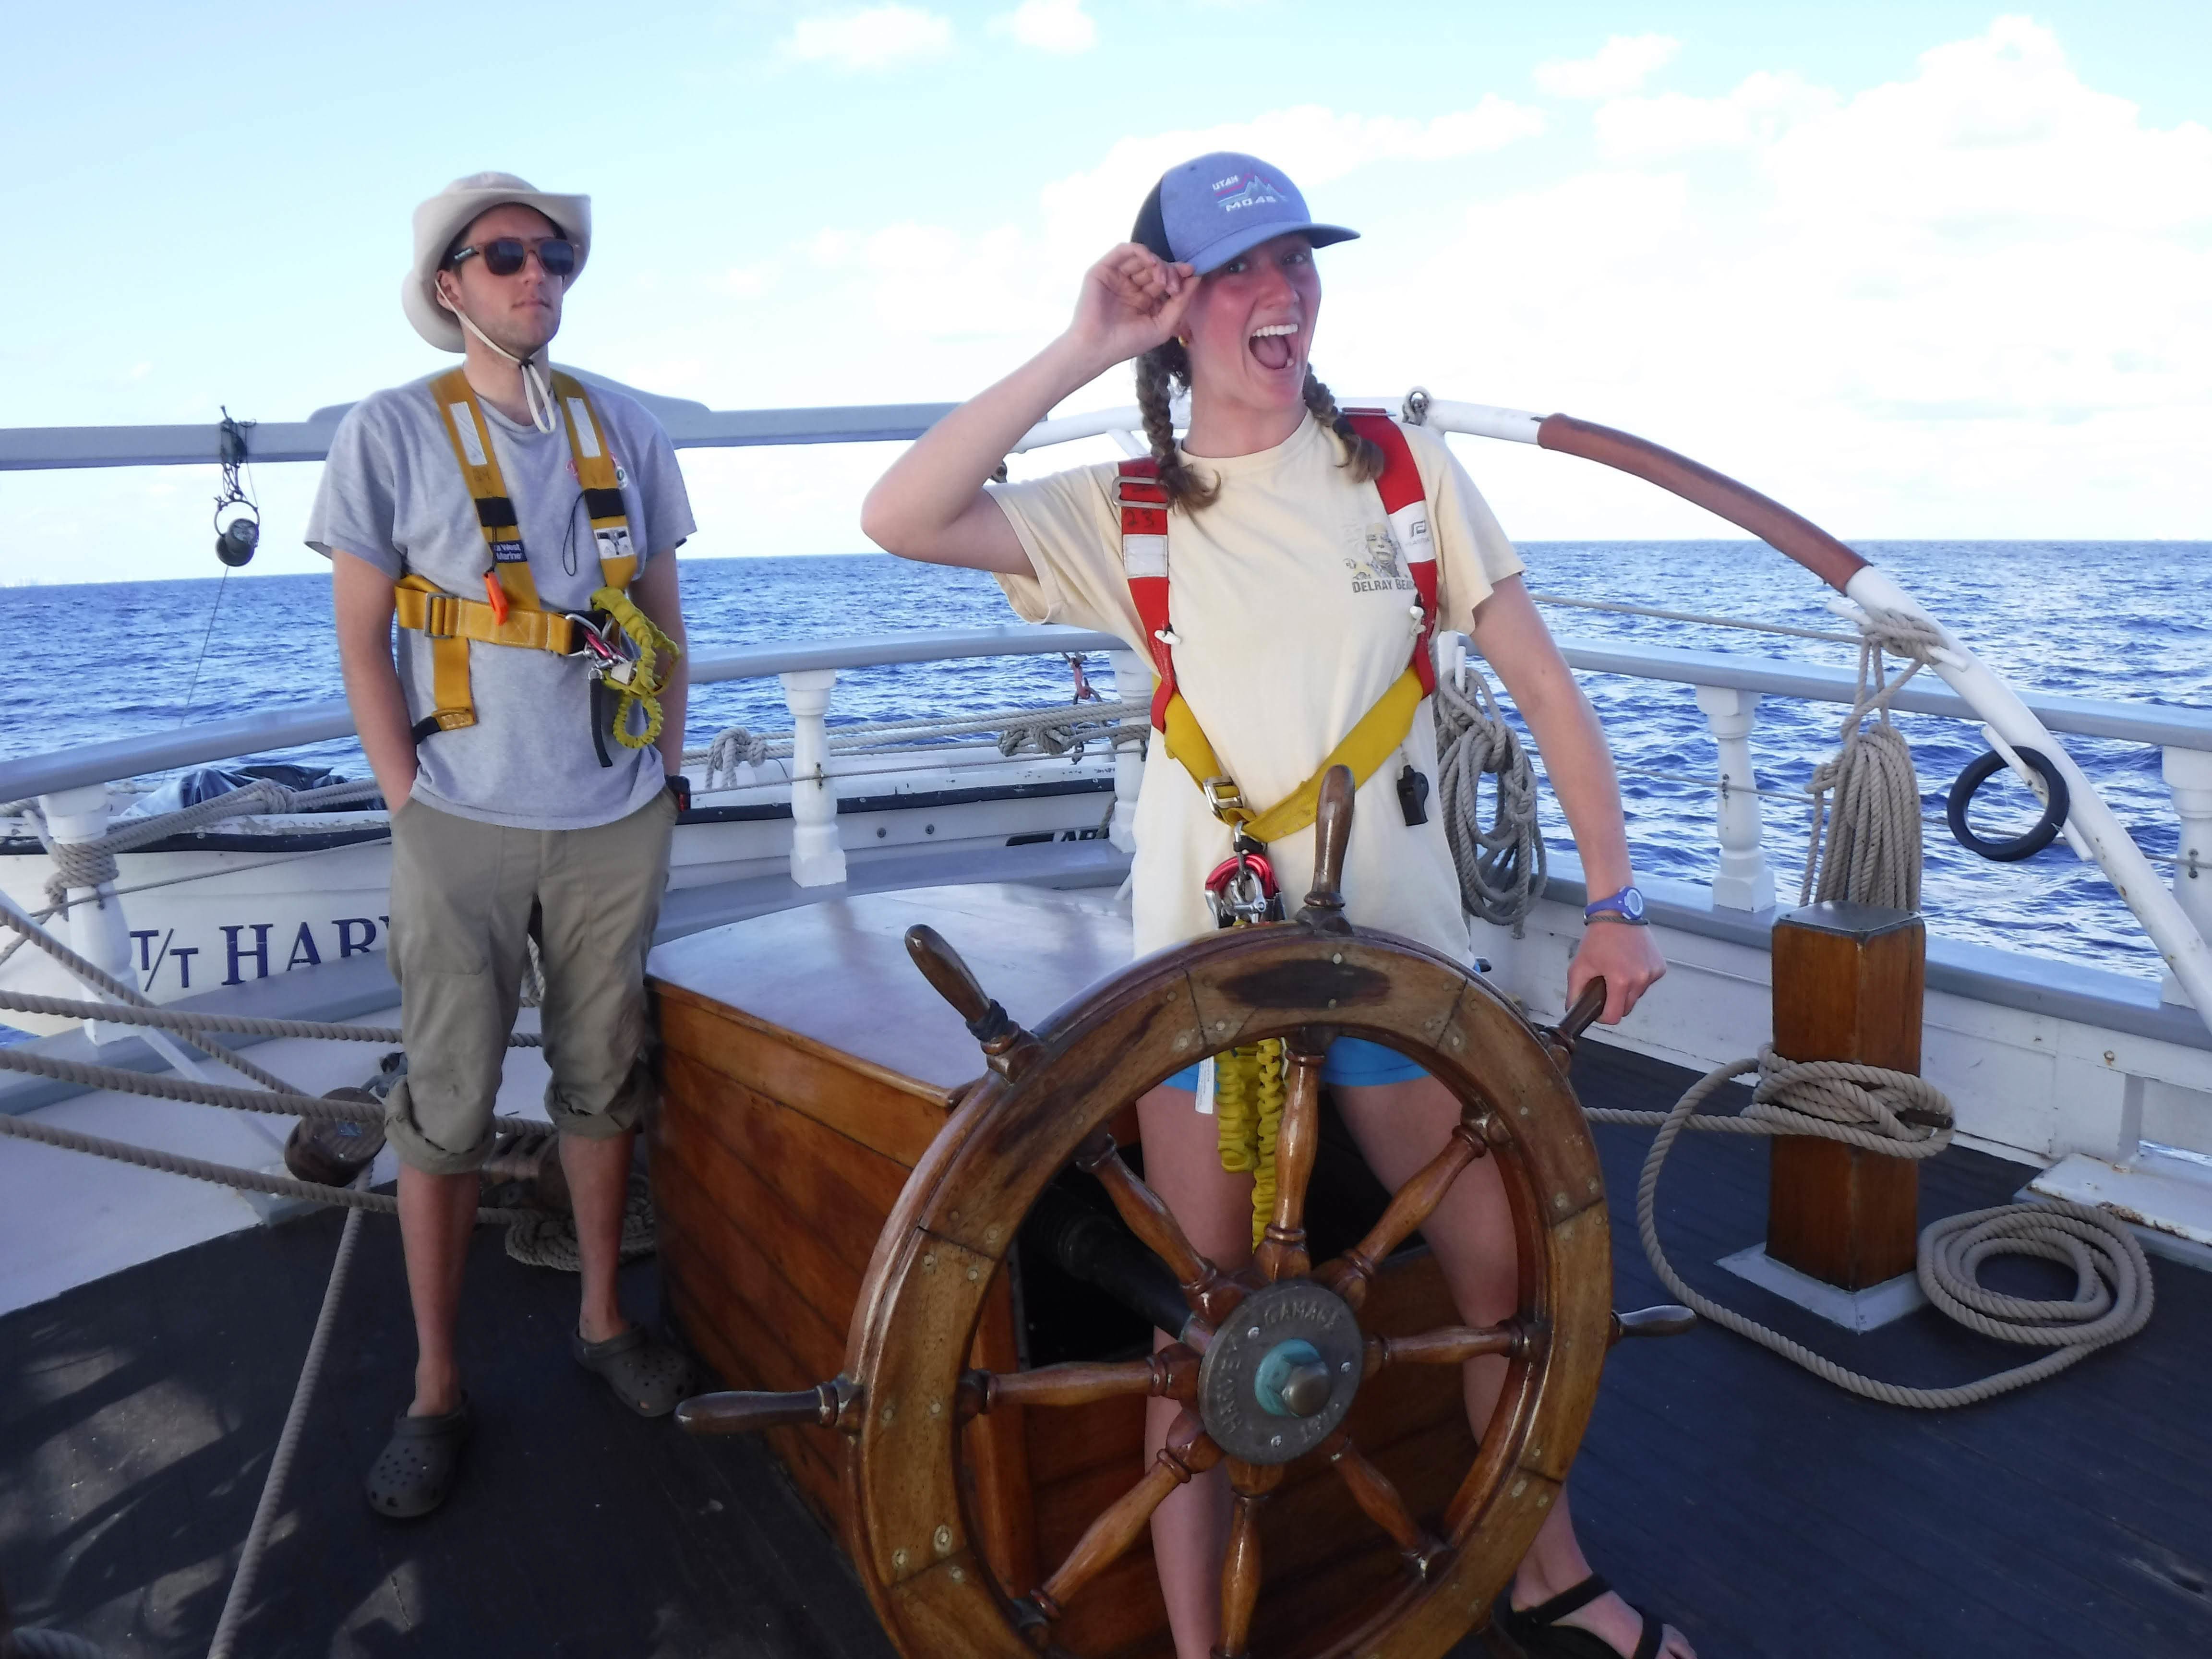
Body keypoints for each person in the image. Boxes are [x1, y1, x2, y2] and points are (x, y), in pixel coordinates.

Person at [863, 154, 1692, 1659]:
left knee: (1511, 1277)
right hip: (1211, 987)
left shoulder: (1402, 471)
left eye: (1295, 262)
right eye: (1237, 271)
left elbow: (1547, 685)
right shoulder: (1126, 511)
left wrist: (1618, 899)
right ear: (1174, 305)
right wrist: (1080, 349)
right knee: (1207, 1322)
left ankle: (1546, 1568)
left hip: (1405, 977)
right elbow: (901, 514)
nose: (1281, 293)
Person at [309, 172, 697, 1520]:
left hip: (611, 824)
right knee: (447, 1107)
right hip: (459, 824)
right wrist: (406, 793)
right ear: (451, 289)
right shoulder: (389, 434)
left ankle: (601, 1325)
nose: (538, 274)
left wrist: (666, 772)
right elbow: (363, 640)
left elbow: (662, 619)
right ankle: (434, 1388)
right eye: (505, 256)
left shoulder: (627, 429)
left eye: (554, 258)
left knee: (605, 1079)